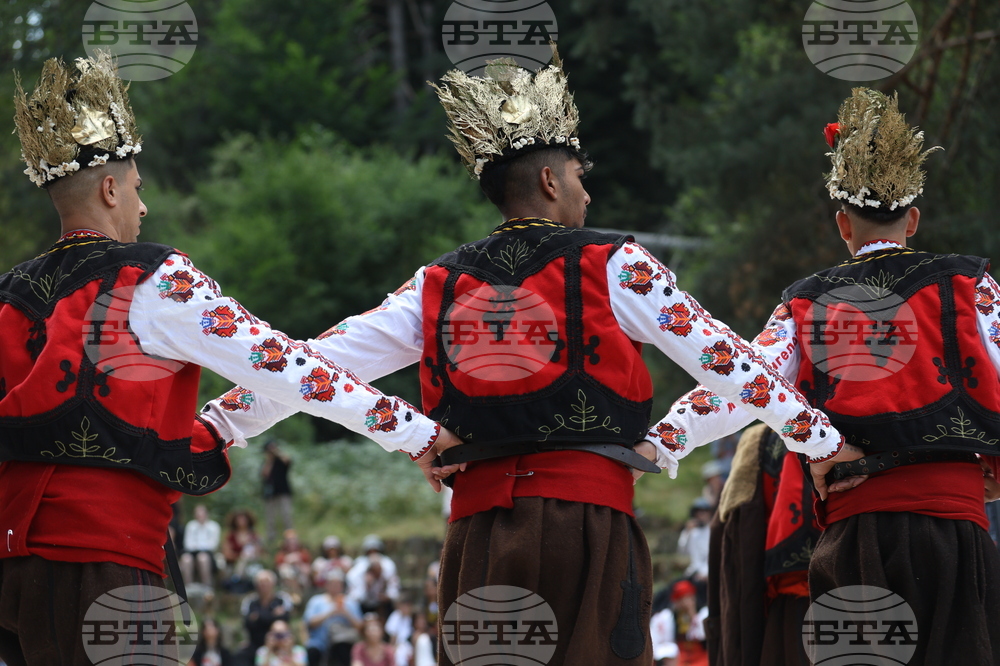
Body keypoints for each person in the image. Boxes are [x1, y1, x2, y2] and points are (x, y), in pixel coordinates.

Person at [197, 50, 851, 665]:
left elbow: (316, 363)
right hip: (587, 527)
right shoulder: (614, 264)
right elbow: (728, 362)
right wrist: (816, 439)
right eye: (578, 177)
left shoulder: (437, 284)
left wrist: (219, 424)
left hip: (479, 537)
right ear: (548, 178)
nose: (586, 195)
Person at [0, 54, 461, 666]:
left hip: (12, 570)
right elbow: (287, 367)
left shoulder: (10, 295)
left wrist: (220, 425)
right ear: (111, 189)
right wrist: (413, 432)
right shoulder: (154, 280)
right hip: (107, 560)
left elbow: (74, 416)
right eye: (137, 189)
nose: (143, 208)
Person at [665, 89, 1000, 664]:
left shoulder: (806, 302)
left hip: (858, 535)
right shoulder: (973, 288)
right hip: (958, 533)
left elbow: (743, 380)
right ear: (913, 219)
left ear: (842, 224)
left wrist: (665, 438)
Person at [303, 569, 361, 666]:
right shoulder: (316, 601)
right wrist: (330, 613)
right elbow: (309, 622)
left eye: (338, 584)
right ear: (327, 585)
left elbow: (360, 626)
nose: (335, 587)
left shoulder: (350, 602)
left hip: (342, 642)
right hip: (319, 642)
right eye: (332, 584)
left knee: (343, 648)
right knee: (312, 651)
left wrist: (345, 613)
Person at [181, 503, 222, 591]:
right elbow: (187, 544)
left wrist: (198, 546)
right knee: (185, 558)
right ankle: (188, 587)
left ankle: (207, 586)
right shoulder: (191, 526)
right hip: (192, 553)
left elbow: (213, 545)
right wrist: (201, 546)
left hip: (208, 555)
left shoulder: (214, 526)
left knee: (202, 558)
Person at [262, 440, 294, 545]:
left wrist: (277, 453)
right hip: (270, 494)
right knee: (271, 517)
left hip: (283, 491)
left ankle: (290, 538)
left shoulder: (281, 460)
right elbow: (265, 474)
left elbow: (288, 461)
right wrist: (269, 459)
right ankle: (272, 539)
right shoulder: (267, 462)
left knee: (286, 515)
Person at [274, 529, 312, 602]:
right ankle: (294, 595)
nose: (292, 542)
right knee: (285, 570)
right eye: (289, 540)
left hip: (302, 579)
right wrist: (289, 561)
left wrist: (299, 562)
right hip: (287, 581)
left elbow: (308, 569)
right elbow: (278, 568)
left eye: (293, 540)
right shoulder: (281, 555)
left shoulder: (304, 553)